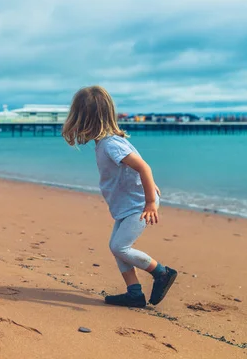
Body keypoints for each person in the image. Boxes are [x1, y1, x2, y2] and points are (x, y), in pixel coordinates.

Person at [62, 86, 177, 308]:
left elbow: (143, 166)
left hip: (139, 206)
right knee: (117, 247)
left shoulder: (110, 144)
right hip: (128, 204)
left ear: (84, 119)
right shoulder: (106, 141)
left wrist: (151, 200)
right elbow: (136, 168)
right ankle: (134, 293)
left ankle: (162, 273)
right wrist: (150, 187)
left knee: (120, 247)